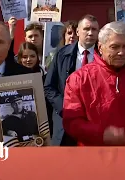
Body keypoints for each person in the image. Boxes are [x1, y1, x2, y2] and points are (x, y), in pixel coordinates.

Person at [62, 21, 125, 146]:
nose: (122, 52)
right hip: (94, 156)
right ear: (100, 47)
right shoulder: (79, 78)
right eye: (115, 47)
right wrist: (101, 134)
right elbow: (72, 122)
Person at [44, 14, 99, 146]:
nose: (90, 33)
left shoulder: (104, 56)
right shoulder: (61, 54)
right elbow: (49, 87)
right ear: (78, 31)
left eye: (94, 29)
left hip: (94, 123)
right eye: (86, 29)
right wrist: (65, 108)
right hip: (64, 122)